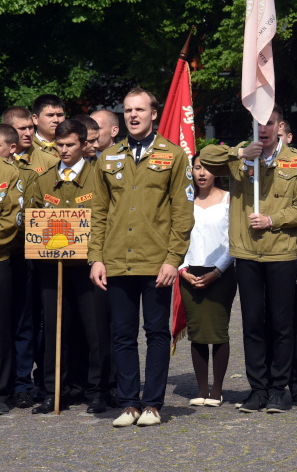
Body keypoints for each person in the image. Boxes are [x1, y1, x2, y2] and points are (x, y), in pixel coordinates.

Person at [89, 87, 194, 427]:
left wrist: (173, 259)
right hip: (117, 259)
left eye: (140, 109)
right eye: (128, 110)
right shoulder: (108, 158)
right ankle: (129, 403)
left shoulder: (173, 156)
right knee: (122, 335)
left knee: (156, 333)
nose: (133, 115)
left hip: (156, 261)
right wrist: (96, 257)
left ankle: (152, 404)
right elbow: (98, 212)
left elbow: (182, 213)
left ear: (153, 114)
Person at [200, 104, 297, 414]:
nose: (264, 129)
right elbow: (205, 158)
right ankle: (258, 389)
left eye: (270, 123)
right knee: (252, 323)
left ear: (280, 126)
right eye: (259, 123)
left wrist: (273, 220)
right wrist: (239, 153)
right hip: (247, 252)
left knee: (281, 324)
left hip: (280, 251)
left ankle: (278, 389)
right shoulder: (241, 154)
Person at [26, 120, 111, 415]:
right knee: (55, 330)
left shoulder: (98, 177)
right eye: (59, 145)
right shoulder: (44, 179)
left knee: (95, 329)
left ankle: (98, 390)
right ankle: (55, 391)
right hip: (53, 266)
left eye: (70, 145)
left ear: (84, 145)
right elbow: (33, 216)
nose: (64, 150)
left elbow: (106, 217)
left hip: (89, 265)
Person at [1, 106, 57, 409]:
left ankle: (24, 382)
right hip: (5, 252)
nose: (27, 133)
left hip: (31, 249)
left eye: (29, 128)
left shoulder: (46, 160)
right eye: (20, 129)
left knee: (29, 319)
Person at [178, 153, 236, 408]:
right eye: (197, 167)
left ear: (217, 172)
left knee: (218, 330)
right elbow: (176, 238)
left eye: (208, 168)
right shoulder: (184, 201)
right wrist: (181, 269)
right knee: (198, 332)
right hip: (189, 272)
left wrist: (217, 271)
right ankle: (202, 388)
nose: (202, 173)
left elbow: (234, 240)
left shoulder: (229, 200)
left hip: (221, 272)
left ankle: (217, 389)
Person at [0, 124, 25, 415]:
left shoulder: (9, 173)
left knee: (2, 328)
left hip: (1, 259)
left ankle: (2, 390)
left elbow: (11, 220)